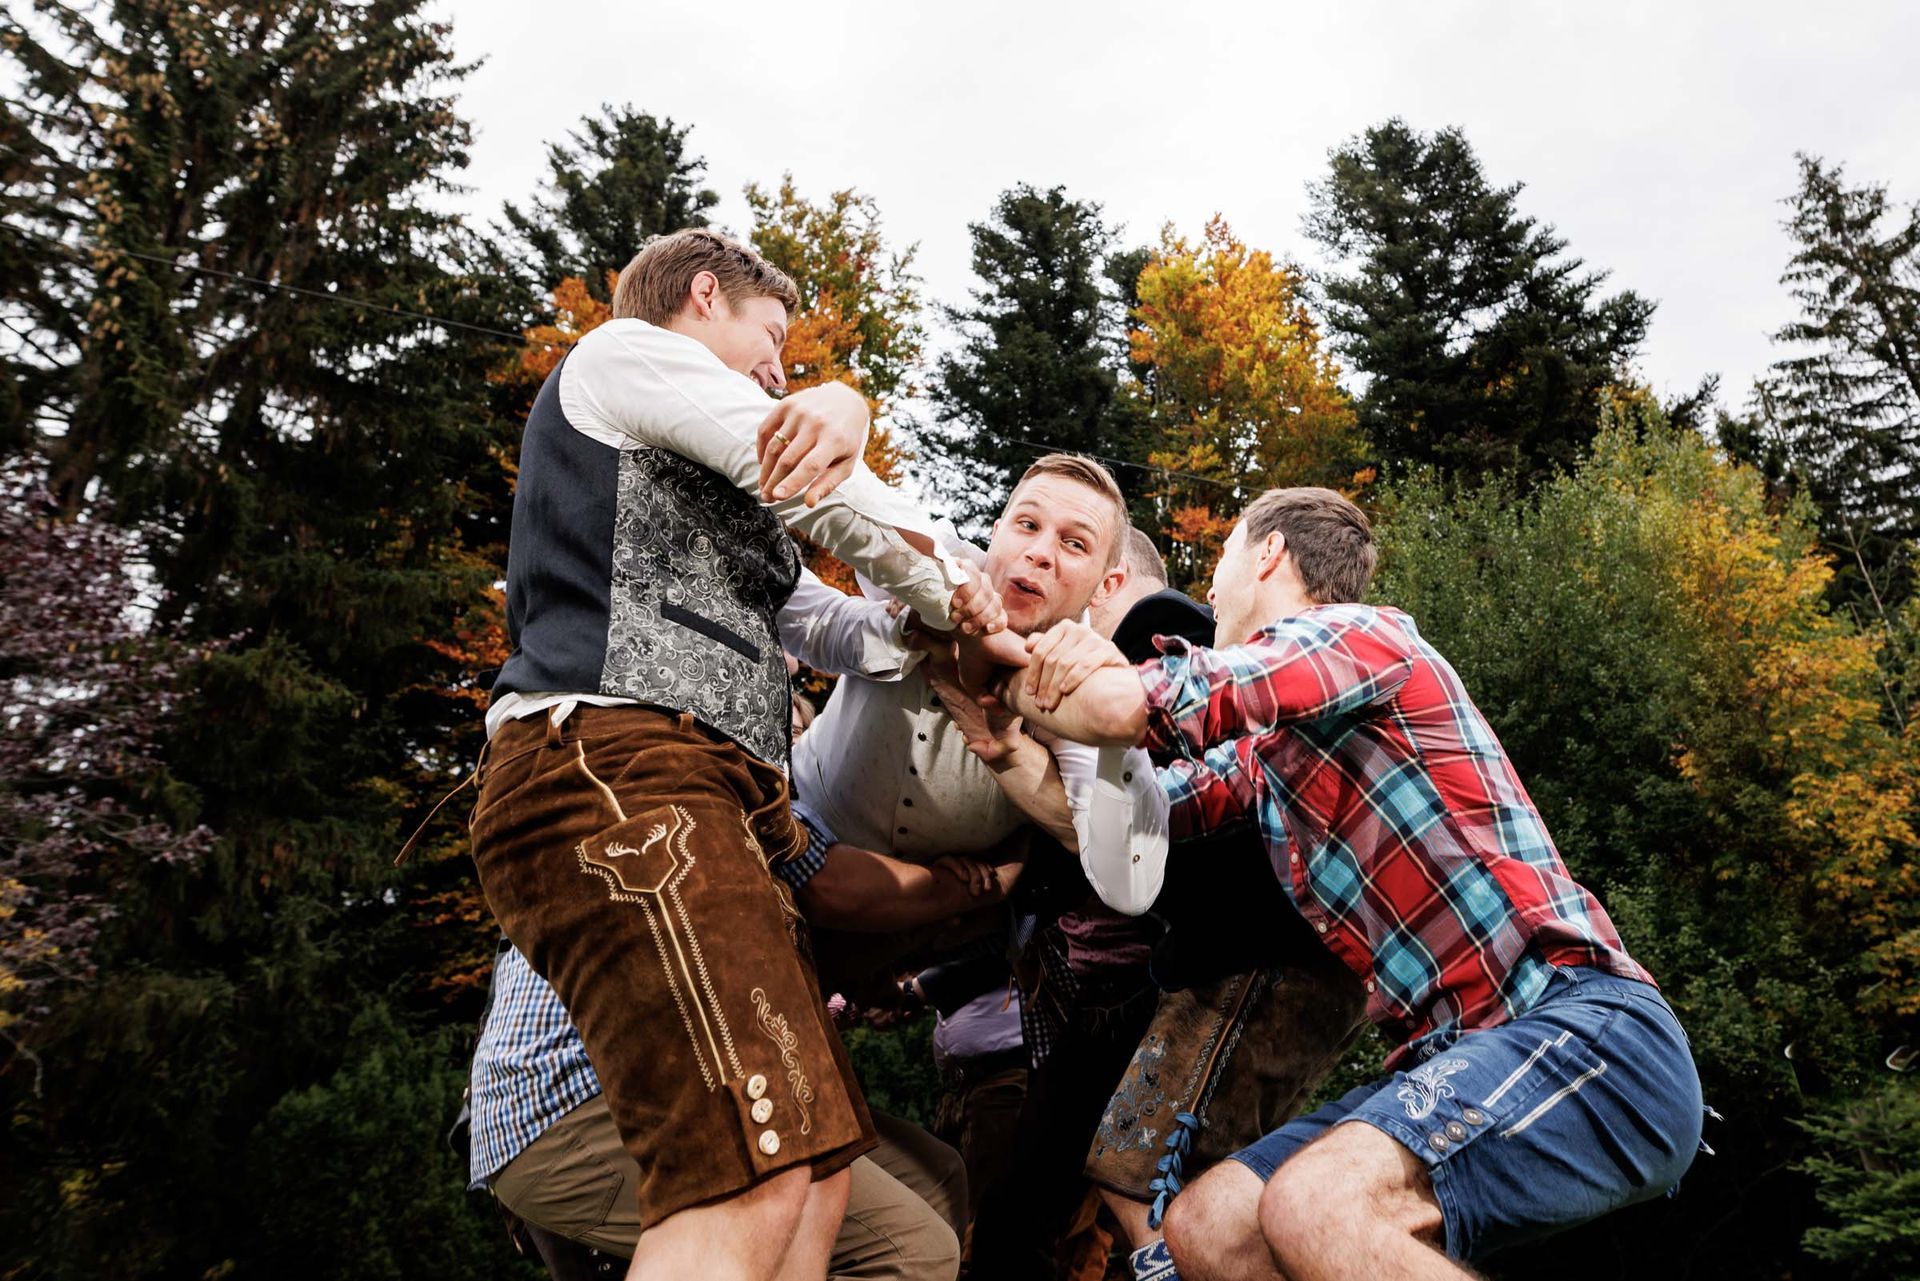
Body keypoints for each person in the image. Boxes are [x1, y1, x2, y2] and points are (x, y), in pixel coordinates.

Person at [469, 227, 1014, 1281]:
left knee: (811, 1174)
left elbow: (833, 626)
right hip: (614, 763)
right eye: (772, 338)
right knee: (747, 1178)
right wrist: (960, 589)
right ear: (704, 295)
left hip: (716, 799)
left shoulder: (723, 497)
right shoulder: (621, 354)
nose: (779, 367)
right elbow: (812, 476)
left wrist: (920, 626)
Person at [998, 487, 1703, 1281]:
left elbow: (1133, 705)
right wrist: (994, 739)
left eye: (1222, 556)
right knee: (1208, 1228)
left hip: (1585, 1027)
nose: (1212, 589)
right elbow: (1124, 822)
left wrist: (1003, 658)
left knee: (1315, 1203)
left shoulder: (1364, 637)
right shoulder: (1268, 757)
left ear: (1268, 552)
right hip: (1452, 1056)